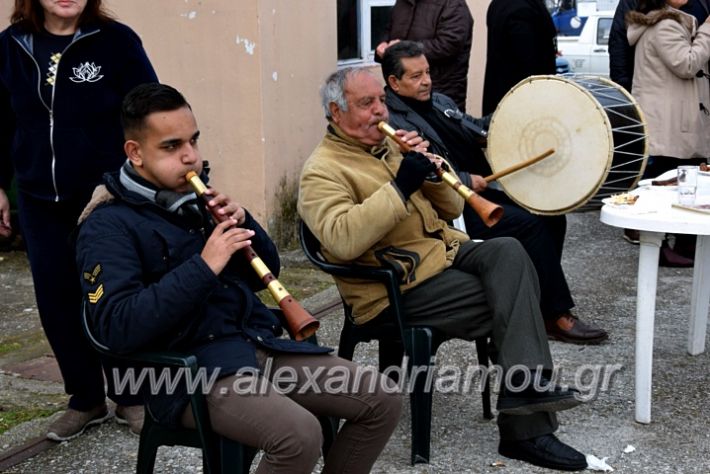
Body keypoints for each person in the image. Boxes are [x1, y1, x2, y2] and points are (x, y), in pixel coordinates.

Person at [75, 83, 402, 473]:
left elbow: (267, 273)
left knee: (381, 398)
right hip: (183, 374)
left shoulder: (193, 200)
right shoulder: (107, 227)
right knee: (299, 435)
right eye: (172, 146)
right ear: (135, 153)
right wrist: (204, 265)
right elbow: (117, 327)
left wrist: (245, 224)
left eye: (194, 141)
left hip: (250, 345)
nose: (191, 158)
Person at [298, 66, 590, 471]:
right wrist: (400, 186)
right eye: (367, 104)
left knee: (509, 251)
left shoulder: (388, 148)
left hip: (442, 255)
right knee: (514, 300)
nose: (381, 112)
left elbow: (453, 209)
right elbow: (342, 239)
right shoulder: (322, 170)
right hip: (394, 289)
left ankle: (526, 395)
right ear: (336, 110)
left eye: (381, 100)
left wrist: (431, 173)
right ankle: (527, 429)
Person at [0, 0, 158, 440]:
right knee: (56, 299)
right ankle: (86, 399)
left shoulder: (116, 42)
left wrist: (122, 180)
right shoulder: (11, 46)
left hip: (104, 195)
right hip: (38, 198)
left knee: (112, 296)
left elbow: (146, 113)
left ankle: (132, 397)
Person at [382, 40, 609, 345]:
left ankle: (541, 304)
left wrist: (520, 114)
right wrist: (463, 178)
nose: (426, 81)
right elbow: (417, 168)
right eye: (415, 76)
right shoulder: (393, 123)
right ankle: (555, 315)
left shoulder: (439, 102)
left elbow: (476, 129)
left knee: (552, 216)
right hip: (454, 207)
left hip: (481, 194)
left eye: (427, 72)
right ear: (394, 82)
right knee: (530, 225)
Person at [627, 0, 710, 265]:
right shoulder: (665, 25)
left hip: (670, 118)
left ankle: (679, 247)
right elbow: (686, 64)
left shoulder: (661, 22)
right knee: (674, 181)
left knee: (677, 179)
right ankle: (667, 248)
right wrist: (709, 31)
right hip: (671, 120)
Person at [375, 0, 473, 111]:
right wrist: (383, 45)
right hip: (401, 96)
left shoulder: (453, 4)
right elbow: (388, 30)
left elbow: (449, 44)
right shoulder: (403, 2)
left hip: (440, 94)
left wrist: (404, 47)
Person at [610, 0, 710, 92]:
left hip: (696, 90)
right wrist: (625, 89)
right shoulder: (661, 24)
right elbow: (619, 42)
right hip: (659, 91)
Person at [482, 0, 557, 116]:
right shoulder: (523, 9)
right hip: (522, 107)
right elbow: (529, 65)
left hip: (503, 102)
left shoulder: (500, 4)